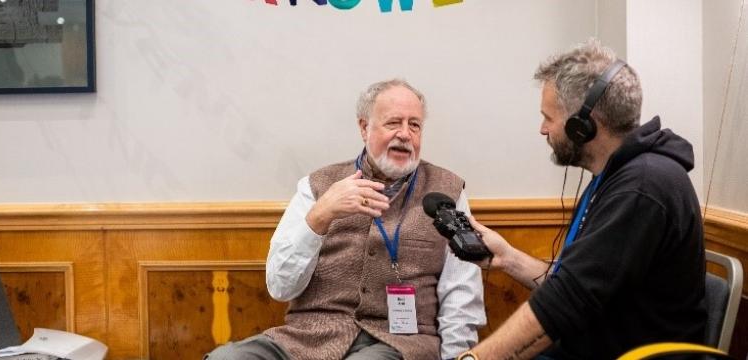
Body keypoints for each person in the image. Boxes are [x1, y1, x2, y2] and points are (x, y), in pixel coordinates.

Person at [456, 40, 706, 360]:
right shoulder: (615, 176)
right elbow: (577, 281)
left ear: (582, 126)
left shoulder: (641, 188)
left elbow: (567, 300)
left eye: (549, 117)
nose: (542, 129)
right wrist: (507, 257)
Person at [205, 79, 485, 360]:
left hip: (400, 345)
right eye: (393, 123)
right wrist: (321, 215)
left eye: (415, 125)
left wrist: (456, 358)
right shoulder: (317, 186)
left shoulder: (446, 191)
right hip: (308, 340)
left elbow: (461, 291)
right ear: (364, 127)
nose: (405, 134)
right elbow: (280, 287)